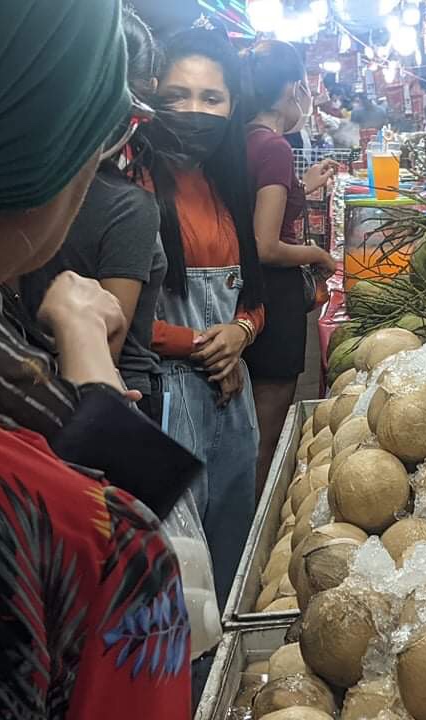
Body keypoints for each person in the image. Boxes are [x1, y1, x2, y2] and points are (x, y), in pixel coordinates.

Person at [0, 1, 191, 718]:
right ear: (35, 171)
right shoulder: (96, 549)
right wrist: (89, 349)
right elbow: (92, 506)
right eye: (108, 127)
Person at [137, 27, 265, 611]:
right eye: (177, 97)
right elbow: (118, 320)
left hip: (231, 397)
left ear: (232, 105)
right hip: (164, 400)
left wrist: (239, 334)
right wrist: (197, 345)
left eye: (211, 98)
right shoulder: (131, 189)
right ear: (153, 99)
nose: (195, 111)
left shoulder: (226, 186)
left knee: (234, 554)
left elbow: (255, 299)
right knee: (179, 575)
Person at [19, 9, 167, 413]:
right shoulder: (127, 206)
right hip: (100, 398)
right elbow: (107, 349)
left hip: (29, 391)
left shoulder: (16, 184)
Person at [242, 40, 338, 498]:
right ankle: (250, 528)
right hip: (274, 297)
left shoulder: (248, 138)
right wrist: (319, 258)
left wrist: (302, 186)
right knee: (266, 424)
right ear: (293, 89)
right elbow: (265, 244)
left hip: (246, 292)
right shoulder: (275, 147)